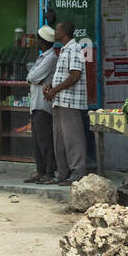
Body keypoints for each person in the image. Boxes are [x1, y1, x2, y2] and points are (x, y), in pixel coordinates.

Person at [43, 21, 88, 186]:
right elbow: (62, 75)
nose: (55, 32)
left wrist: (55, 90)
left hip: (70, 102)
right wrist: (51, 87)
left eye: (57, 29)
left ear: (64, 32)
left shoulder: (74, 48)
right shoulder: (63, 50)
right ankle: (63, 173)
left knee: (73, 139)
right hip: (60, 101)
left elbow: (75, 75)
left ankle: (77, 173)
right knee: (60, 140)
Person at [20, 25, 59, 184]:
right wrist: (33, 78)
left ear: (42, 41)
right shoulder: (43, 56)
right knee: (37, 141)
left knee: (45, 141)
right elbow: (32, 76)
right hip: (36, 104)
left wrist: (33, 78)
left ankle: (49, 172)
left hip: (43, 105)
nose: (36, 41)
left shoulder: (50, 58)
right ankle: (41, 171)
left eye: (37, 39)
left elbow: (32, 76)